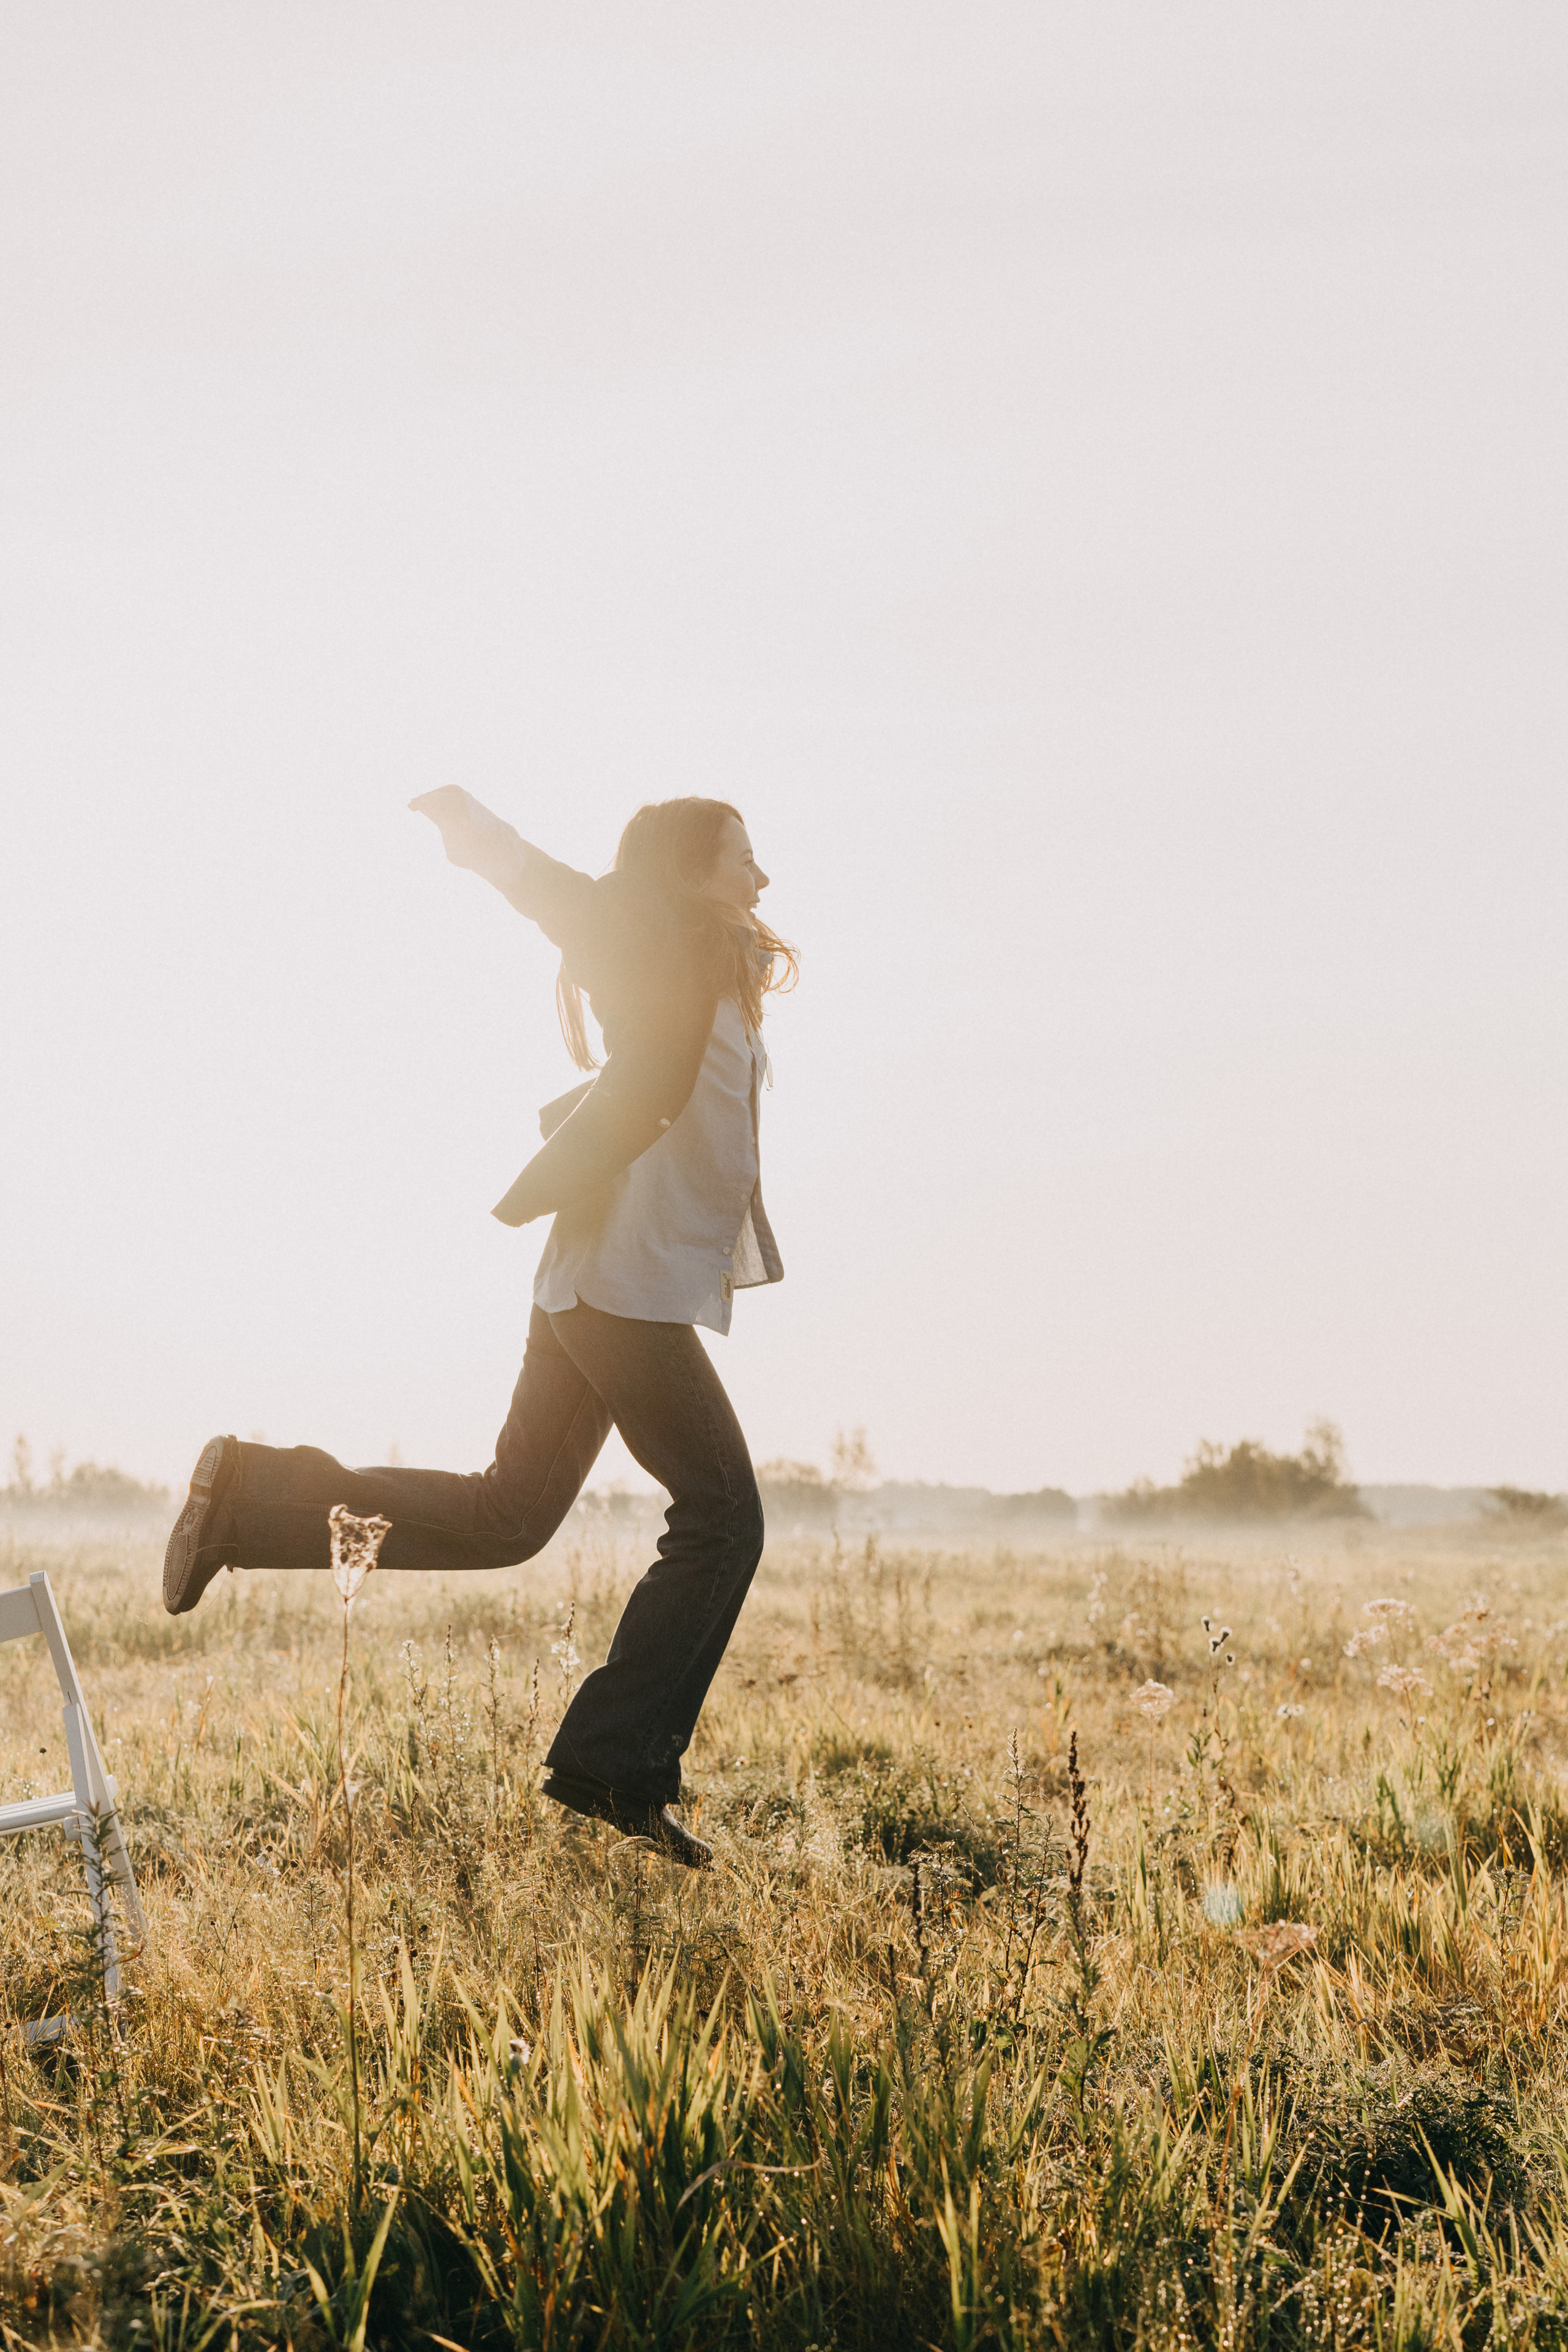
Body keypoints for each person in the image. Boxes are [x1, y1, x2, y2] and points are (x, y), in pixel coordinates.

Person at [160, 790, 796, 1868]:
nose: (763, 877)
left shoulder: (711, 967)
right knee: (725, 1518)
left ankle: (250, 1503)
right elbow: (564, 900)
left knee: (508, 1517)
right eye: (744, 856)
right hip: (621, 1290)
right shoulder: (650, 937)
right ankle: (618, 1761)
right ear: (689, 868)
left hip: (610, 1282)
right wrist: (483, 840)